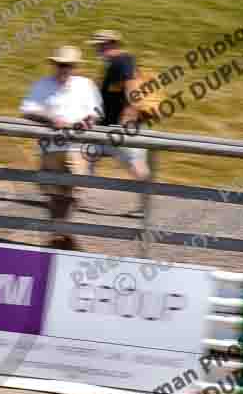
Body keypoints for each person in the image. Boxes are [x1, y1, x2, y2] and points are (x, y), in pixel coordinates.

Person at [20, 45, 102, 250]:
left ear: (75, 67)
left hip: (77, 147)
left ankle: (60, 234)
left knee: (73, 192)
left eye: (68, 65)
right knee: (54, 193)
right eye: (60, 65)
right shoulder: (42, 85)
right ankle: (60, 236)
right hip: (49, 147)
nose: (64, 69)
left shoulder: (86, 85)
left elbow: (96, 112)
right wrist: (50, 119)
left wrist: (88, 121)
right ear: (54, 65)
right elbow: (26, 110)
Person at [87, 29, 151, 216]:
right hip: (107, 128)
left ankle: (146, 207)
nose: (97, 49)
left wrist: (129, 115)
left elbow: (132, 87)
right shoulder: (114, 63)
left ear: (111, 44)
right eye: (97, 46)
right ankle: (78, 196)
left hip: (122, 127)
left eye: (100, 45)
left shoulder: (123, 60)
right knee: (85, 155)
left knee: (135, 164)